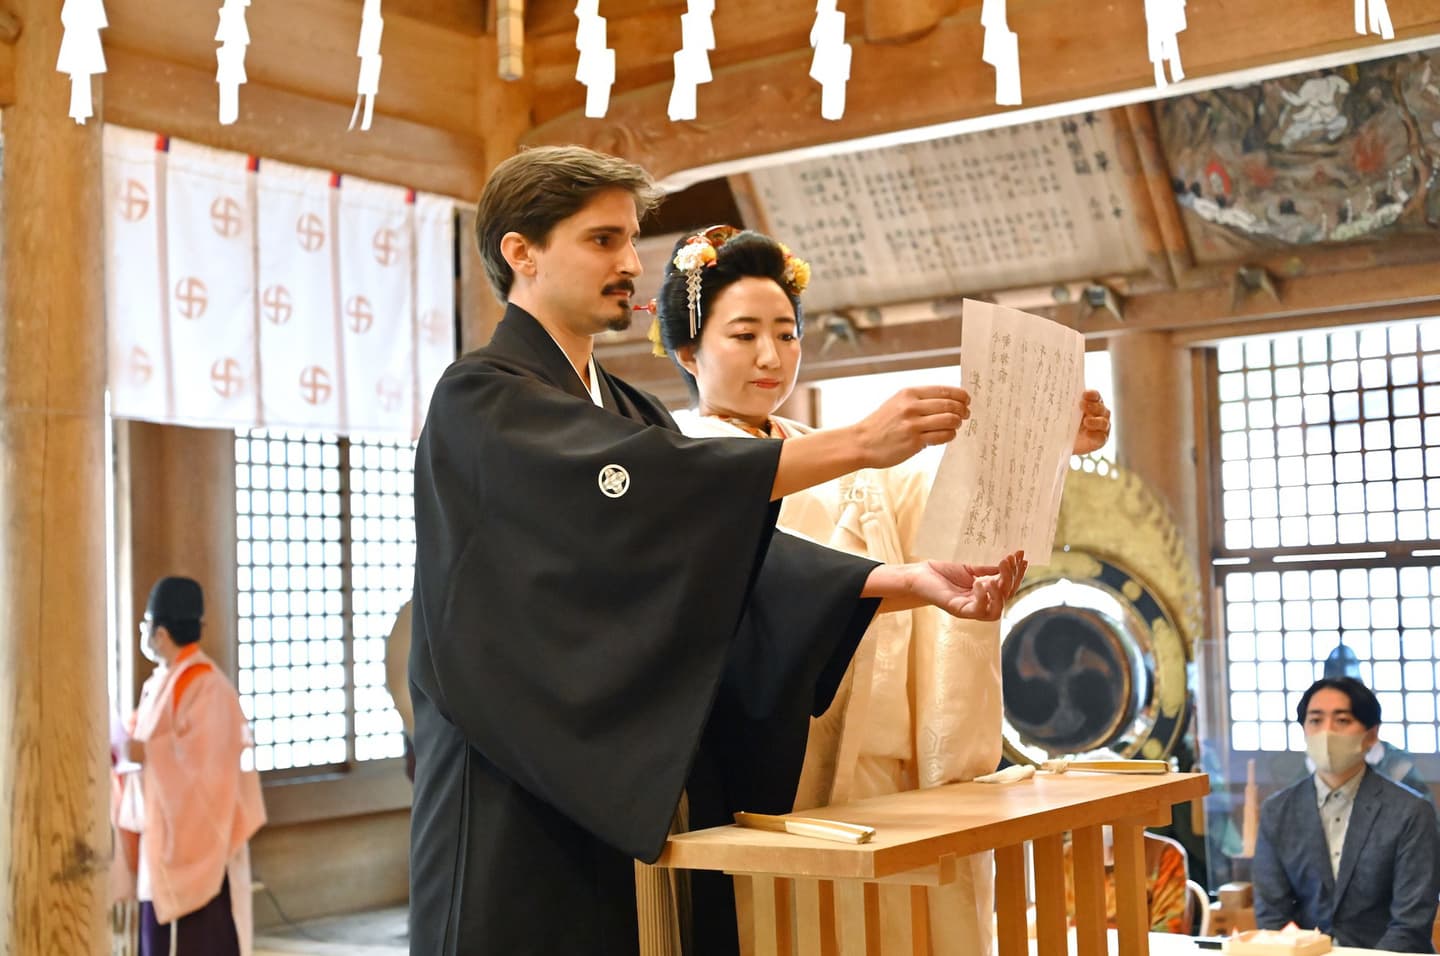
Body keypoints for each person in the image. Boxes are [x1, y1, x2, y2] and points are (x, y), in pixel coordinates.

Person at [408, 145, 1027, 956]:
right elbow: (658, 486)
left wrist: (903, 581)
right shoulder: (482, 395)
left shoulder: (626, 408)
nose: (630, 262)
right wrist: (856, 443)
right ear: (520, 253)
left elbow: (736, 559)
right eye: (602, 241)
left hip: (625, 786)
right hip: (517, 787)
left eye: (632, 240)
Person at [652, 225, 1111, 953]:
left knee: (906, 923)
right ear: (688, 351)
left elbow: (931, 504)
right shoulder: (682, 457)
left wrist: (1048, 438)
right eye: (743, 334)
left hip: (884, 742)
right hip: (783, 747)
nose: (771, 356)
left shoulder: (812, 444)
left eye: (785, 332)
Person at [111, 576, 267, 956]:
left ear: (160, 632)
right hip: (160, 850)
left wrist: (145, 753)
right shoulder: (160, 683)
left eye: (145, 625)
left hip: (197, 855)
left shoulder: (208, 688)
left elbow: (205, 775)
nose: (143, 633)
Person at [1252, 676, 1440, 952]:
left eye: (1342, 721)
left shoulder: (1411, 812)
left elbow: (1410, 924)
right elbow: (1272, 915)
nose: (1326, 732)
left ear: (1371, 735)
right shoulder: (1277, 811)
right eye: (1315, 721)